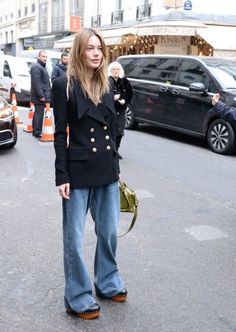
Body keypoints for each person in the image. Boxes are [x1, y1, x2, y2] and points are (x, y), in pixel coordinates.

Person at [52, 28, 127, 320]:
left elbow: (111, 130)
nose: (96, 53)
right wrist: (62, 176)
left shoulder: (107, 83)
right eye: (90, 48)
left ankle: (107, 282)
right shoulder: (64, 85)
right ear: (79, 52)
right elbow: (60, 134)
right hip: (78, 170)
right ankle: (78, 296)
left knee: (108, 232)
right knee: (74, 237)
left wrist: (115, 169)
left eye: (100, 48)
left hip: (106, 170)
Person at [108, 61, 133, 159]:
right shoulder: (107, 80)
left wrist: (124, 100)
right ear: (110, 71)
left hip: (121, 109)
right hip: (110, 109)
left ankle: (116, 149)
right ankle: (111, 150)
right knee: (111, 130)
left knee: (120, 131)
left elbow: (130, 93)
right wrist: (112, 97)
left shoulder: (125, 81)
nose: (116, 71)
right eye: (113, 69)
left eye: (117, 69)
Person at [30, 50, 51, 138]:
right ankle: (37, 132)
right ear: (38, 57)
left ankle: (36, 131)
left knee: (37, 113)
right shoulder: (36, 67)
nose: (45, 58)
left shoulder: (41, 66)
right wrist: (41, 95)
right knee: (39, 114)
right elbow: (36, 82)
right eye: (43, 56)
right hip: (39, 96)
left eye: (46, 57)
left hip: (40, 95)